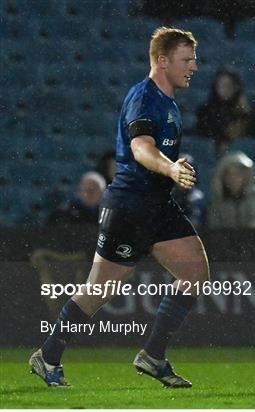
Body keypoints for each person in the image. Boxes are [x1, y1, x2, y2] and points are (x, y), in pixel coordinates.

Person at [30, 27, 209, 388]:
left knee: (195, 274)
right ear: (162, 61)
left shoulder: (170, 103)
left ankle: (153, 356)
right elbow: (142, 148)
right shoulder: (143, 98)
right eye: (186, 59)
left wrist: (173, 170)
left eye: (194, 59)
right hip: (130, 205)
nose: (194, 66)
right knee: (100, 290)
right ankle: (48, 356)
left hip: (158, 204)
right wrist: (172, 167)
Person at [208, 151, 255, 229]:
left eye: (237, 174)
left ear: (246, 176)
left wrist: (254, 227)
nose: (233, 178)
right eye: (229, 174)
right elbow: (214, 228)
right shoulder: (218, 202)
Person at [196, 67, 250, 155]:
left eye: (228, 85)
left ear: (236, 87)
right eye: (221, 85)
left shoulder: (243, 111)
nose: (224, 89)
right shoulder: (205, 111)